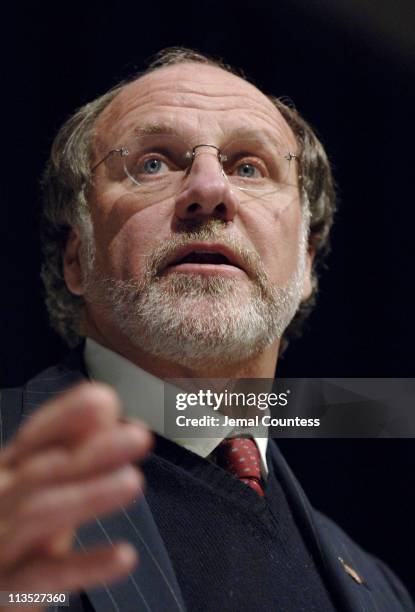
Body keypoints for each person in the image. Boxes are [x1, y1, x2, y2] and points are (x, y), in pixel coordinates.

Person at [0, 47, 412, 612]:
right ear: (77, 257)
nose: (209, 190)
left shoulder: (381, 590)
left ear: (307, 262)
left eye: (249, 167)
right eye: (153, 163)